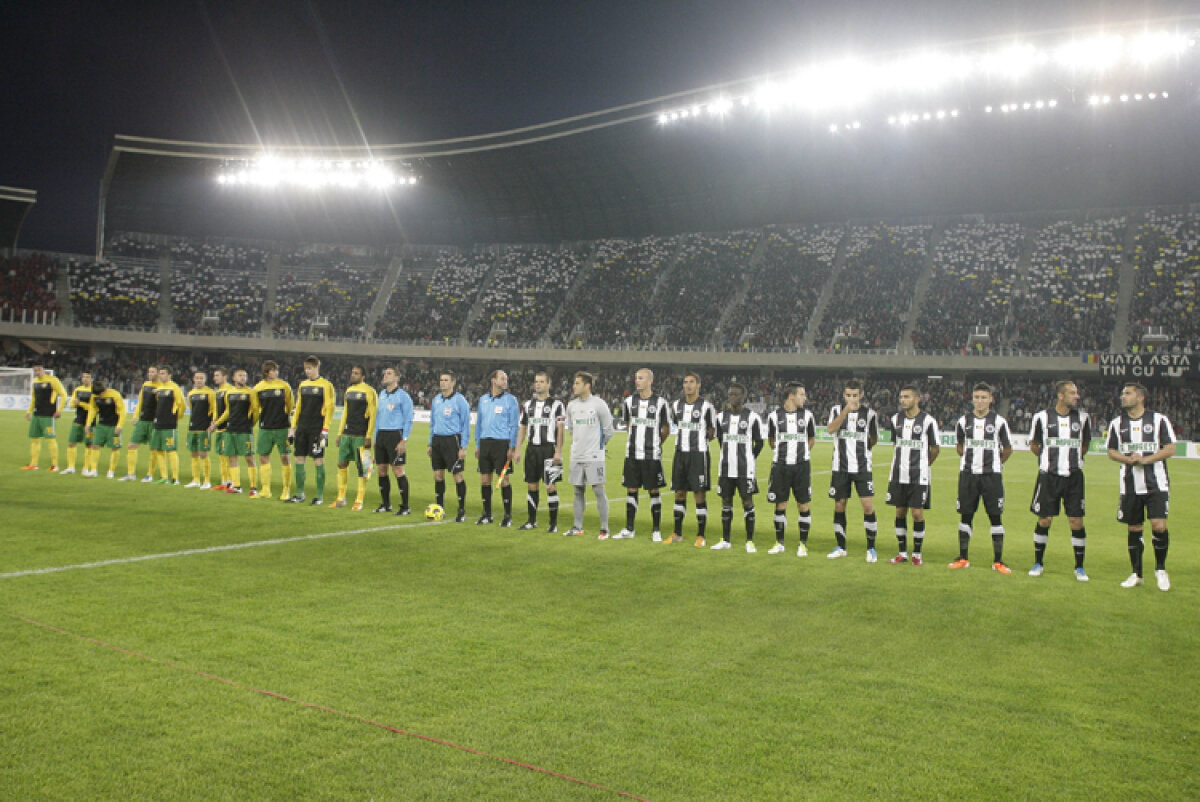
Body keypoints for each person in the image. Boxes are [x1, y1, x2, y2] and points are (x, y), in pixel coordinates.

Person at [1106, 382, 1176, 591]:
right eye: (1122, 393)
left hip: (1156, 483)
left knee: (1159, 526)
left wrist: (1146, 459)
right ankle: (1137, 573)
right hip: (1129, 485)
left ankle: (1160, 570)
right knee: (1134, 528)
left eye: (1127, 393)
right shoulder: (1117, 424)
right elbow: (1111, 451)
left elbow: (1170, 448)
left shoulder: (1159, 420)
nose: (1123, 397)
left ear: (1140, 397)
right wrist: (1128, 460)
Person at [1028, 380, 1092, 581]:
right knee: (1045, 519)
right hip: (1049, 476)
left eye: (1077, 392)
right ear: (1061, 396)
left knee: (1076, 521)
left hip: (1074, 477)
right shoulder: (1042, 417)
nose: (1077, 396)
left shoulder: (1082, 418)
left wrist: (1074, 461)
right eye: (1072, 393)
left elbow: (1085, 444)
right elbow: (1035, 445)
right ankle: (1038, 563)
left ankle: (1079, 567)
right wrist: (1048, 460)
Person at [950, 382, 1013, 572]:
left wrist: (996, 463)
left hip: (991, 476)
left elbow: (1008, 449)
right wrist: (968, 460)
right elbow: (960, 445)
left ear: (991, 400)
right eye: (977, 397)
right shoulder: (963, 421)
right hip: (968, 476)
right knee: (966, 516)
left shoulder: (999, 422)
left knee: (995, 517)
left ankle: (999, 561)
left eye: (984, 397)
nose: (980, 401)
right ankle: (963, 558)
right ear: (972, 399)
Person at [884, 384, 940, 566]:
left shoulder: (928, 421)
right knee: (900, 512)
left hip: (919, 476)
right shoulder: (895, 419)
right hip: (898, 474)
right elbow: (895, 444)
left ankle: (917, 553)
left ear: (917, 399)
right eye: (901, 397)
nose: (903, 400)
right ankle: (902, 552)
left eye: (907, 397)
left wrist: (925, 464)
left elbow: (935, 448)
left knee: (917, 513)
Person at [826, 378, 880, 561]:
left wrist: (864, 452)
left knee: (867, 506)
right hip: (840, 467)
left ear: (861, 396)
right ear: (844, 395)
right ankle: (841, 547)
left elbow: (873, 438)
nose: (851, 399)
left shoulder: (870, 414)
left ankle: (871, 549)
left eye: (855, 396)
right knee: (839, 505)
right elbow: (831, 429)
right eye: (848, 395)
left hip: (862, 468)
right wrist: (845, 411)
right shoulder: (836, 410)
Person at [617, 368, 671, 540]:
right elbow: (628, 424)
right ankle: (629, 529)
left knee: (653, 490)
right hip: (632, 454)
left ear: (650, 381)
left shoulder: (660, 403)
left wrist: (656, 443)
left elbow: (666, 428)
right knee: (631, 490)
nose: (637, 381)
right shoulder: (628, 402)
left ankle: (656, 530)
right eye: (636, 378)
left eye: (641, 378)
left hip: (651, 455)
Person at [764, 382, 817, 556]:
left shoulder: (808, 416)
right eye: (802, 394)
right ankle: (780, 543)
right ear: (791, 396)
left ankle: (803, 544)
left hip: (802, 466)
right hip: (780, 466)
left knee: (803, 504)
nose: (805, 398)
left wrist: (802, 454)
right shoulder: (774, 416)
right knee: (781, 503)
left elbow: (811, 438)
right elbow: (771, 440)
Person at [711, 382, 765, 552]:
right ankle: (725, 540)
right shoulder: (721, 418)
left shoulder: (752, 418)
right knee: (726, 503)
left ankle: (749, 541)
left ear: (743, 397)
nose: (731, 397)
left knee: (747, 502)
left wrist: (749, 457)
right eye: (729, 394)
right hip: (726, 468)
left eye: (735, 394)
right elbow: (721, 440)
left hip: (745, 469)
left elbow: (759, 443)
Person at [666, 372, 718, 546]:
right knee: (679, 493)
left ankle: (700, 536)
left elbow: (712, 431)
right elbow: (675, 423)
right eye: (685, 382)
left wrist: (701, 440)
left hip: (698, 455)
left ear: (698, 385)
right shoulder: (676, 405)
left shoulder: (706, 407)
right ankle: (677, 533)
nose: (687, 385)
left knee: (699, 494)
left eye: (691, 382)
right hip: (680, 453)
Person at [564, 371, 614, 538]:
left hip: (594, 456)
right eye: (574, 382)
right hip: (576, 455)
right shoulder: (571, 406)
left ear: (587, 386)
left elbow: (609, 430)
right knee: (578, 491)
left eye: (578, 383)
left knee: (599, 491)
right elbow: (571, 429)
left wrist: (598, 447)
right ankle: (577, 527)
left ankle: (604, 529)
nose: (574, 386)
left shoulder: (599, 404)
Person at [515, 370, 565, 532]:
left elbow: (560, 429)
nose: (538, 384)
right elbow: (523, 427)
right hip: (532, 450)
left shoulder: (557, 405)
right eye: (536, 381)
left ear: (549, 384)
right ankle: (531, 521)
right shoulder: (528, 405)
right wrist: (517, 449)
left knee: (550, 486)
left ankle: (553, 524)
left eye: (541, 381)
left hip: (548, 449)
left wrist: (558, 451)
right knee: (532, 485)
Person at [474, 369, 520, 526]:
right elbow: (479, 423)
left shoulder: (511, 400)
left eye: (506, 379)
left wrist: (512, 447)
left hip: (502, 444)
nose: (505, 381)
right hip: (485, 443)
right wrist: (477, 445)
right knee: (485, 479)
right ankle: (487, 514)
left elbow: (515, 425)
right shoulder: (483, 400)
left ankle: (508, 516)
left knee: (504, 480)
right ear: (493, 380)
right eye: (502, 378)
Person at [288, 356, 335, 505]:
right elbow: (298, 407)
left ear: (316, 367)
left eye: (309, 368)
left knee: (318, 460)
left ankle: (319, 496)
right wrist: (292, 428)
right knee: (298, 459)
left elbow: (329, 409)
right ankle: (300, 494)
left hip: (317, 428)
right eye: (305, 368)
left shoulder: (326, 385)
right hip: (302, 427)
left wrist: (325, 430)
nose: (307, 371)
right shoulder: (303, 385)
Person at [427, 370, 471, 523]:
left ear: (453, 383)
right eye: (441, 380)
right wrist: (430, 442)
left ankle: (461, 510)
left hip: (453, 441)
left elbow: (466, 425)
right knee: (438, 476)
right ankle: (440, 508)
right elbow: (432, 423)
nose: (442, 382)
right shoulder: (436, 400)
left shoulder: (460, 401)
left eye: (446, 380)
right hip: (438, 440)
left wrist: (463, 446)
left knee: (457, 476)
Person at [207, 369, 258, 494]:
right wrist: (216, 424)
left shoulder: (250, 393)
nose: (243, 378)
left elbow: (255, 410)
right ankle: (237, 486)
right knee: (232, 458)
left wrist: (250, 424)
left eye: (245, 376)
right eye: (240, 376)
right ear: (234, 378)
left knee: (249, 458)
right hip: (231, 429)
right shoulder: (229, 393)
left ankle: (253, 487)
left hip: (244, 430)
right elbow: (228, 411)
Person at [334, 365, 377, 510]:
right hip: (347, 433)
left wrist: (369, 436)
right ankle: (340, 498)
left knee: (363, 468)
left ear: (363, 376)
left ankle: (359, 500)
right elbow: (345, 413)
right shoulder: (349, 391)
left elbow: (373, 415)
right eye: (352, 372)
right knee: (341, 464)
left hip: (361, 434)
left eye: (356, 373)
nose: (353, 375)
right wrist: (340, 434)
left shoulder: (369, 391)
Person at [252, 360, 295, 501]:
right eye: (273, 370)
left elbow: (290, 405)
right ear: (266, 372)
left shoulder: (284, 386)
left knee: (285, 457)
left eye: (277, 370)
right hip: (265, 428)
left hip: (282, 427)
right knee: (263, 457)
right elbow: (256, 408)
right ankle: (265, 490)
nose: (276, 372)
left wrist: (288, 422)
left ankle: (286, 490)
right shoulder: (258, 388)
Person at [374, 366, 414, 515]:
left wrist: (404, 440)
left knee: (397, 470)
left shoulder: (403, 396)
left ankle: (405, 506)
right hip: (381, 435)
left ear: (397, 378)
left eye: (389, 373)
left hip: (395, 435)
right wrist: (376, 437)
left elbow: (408, 419)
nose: (385, 375)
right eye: (385, 373)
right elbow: (378, 418)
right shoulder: (382, 394)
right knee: (381, 470)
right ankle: (386, 504)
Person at [22, 363, 66, 472]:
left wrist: (59, 410)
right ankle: (33, 464)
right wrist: (29, 411)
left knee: (50, 439)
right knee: (34, 439)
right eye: (35, 371)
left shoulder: (53, 380)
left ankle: (55, 465)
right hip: (37, 414)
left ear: (43, 370)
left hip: (49, 415)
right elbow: (33, 399)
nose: (37, 372)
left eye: (39, 370)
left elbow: (64, 395)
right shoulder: (35, 382)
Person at [149, 364, 187, 485]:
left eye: (163, 373)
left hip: (169, 424)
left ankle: (175, 478)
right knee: (158, 450)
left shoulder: (174, 388)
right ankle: (164, 477)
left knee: (171, 450)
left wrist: (175, 417)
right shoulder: (159, 388)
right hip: (158, 423)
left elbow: (182, 405)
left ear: (170, 375)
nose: (161, 375)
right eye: (160, 373)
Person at [122, 366, 159, 482]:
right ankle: (130, 473)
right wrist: (135, 416)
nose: (150, 373)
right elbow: (140, 401)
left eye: (153, 372)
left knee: (153, 449)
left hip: (153, 422)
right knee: (131, 445)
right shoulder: (146, 385)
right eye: (149, 371)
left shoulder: (162, 387)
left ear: (158, 373)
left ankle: (149, 475)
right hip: (142, 420)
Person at [83, 378, 125, 478]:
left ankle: (111, 470)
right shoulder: (94, 395)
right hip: (101, 425)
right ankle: (93, 470)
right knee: (95, 446)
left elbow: (122, 411)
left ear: (104, 390)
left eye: (100, 394)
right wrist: (88, 423)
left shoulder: (115, 395)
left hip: (114, 426)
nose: (98, 396)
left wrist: (119, 425)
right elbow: (93, 409)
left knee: (114, 448)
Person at [184, 370, 217, 488]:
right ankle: (196, 480)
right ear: (193, 379)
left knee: (203, 454)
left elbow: (214, 410)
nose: (199, 380)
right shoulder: (191, 393)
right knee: (194, 454)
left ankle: (207, 481)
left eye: (201, 378)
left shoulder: (210, 393)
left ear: (205, 379)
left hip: (204, 428)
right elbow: (192, 409)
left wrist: (212, 424)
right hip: (192, 427)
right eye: (197, 378)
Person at [62, 370, 93, 475]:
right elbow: (71, 405)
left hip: (90, 422)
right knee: (71, 443)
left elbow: (94, 408)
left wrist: (81, 403)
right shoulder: (78, 390)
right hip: (78, 420)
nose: (85, 379)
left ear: (91, 379)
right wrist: (75, 404)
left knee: (89, 445)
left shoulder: (94, 391)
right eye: (84, 377)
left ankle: (86, 468)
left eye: (88, 377)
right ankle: (71, 467)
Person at [210, 367, 234, 490]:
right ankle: (224, 482)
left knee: (227, 456)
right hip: (219, 427)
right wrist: (213, 421)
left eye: (217, 375)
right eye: (215, 375)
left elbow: (228, 411)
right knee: (221, 456)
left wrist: (217, 422)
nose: (215, 378)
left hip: (227, 428)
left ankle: (231, 482)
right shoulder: (218, 391)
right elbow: (216, 408)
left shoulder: (229, 390)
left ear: (225, 376)